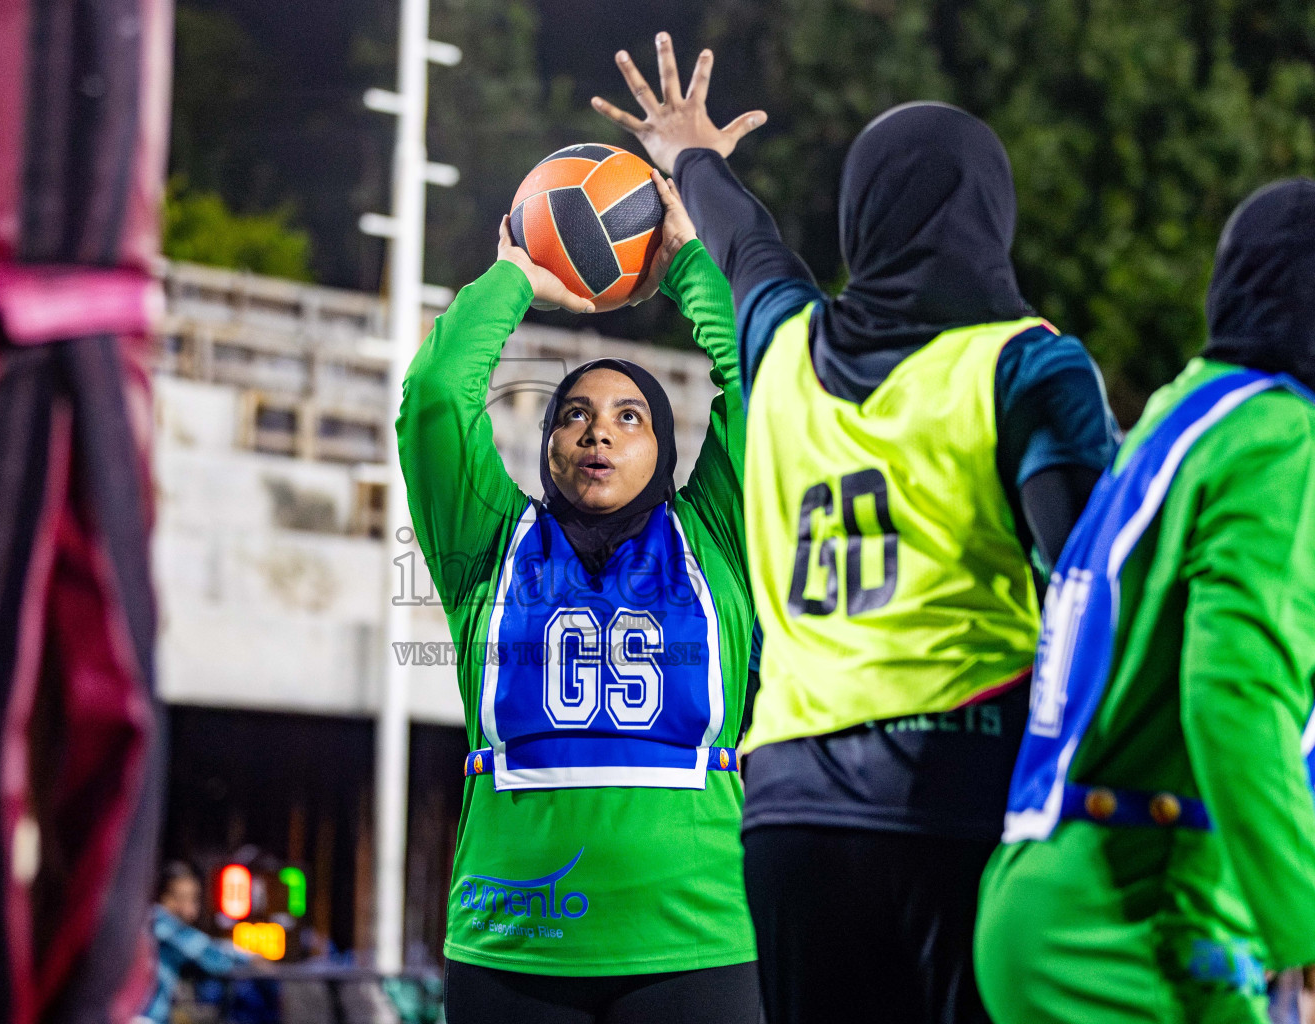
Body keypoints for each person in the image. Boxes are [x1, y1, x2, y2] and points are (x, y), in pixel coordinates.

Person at [593, 34, 1118, 1024]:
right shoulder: (1027, 368)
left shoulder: (785, 348)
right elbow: (1090, 578)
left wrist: (689, 154)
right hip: (958, 790)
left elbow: (748, 246)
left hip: (790, 811)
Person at [398, 169, 760, 1023]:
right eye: (574, 414)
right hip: (513, 942)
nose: (600, 429)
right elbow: (438, 397)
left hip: (699, 940)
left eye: (631, 416)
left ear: (666, 448)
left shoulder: (716, 536)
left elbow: (762, 381)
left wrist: (684, 267)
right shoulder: (490, 543)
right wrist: (516, 278)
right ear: (548, 443)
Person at [977, 179, 1315, 1023]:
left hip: (1058, 890)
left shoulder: (1188, 411)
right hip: (1136, 917)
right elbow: (1234, 696)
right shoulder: (1282, 437)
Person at [139, 862, 250, 1024]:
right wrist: (250, 956)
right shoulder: (159, 923)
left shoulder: (152, 921)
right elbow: (212, 956)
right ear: (165, 897)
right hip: (144, 1018)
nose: (193, 908)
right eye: (185, 898)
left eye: (195, 899)